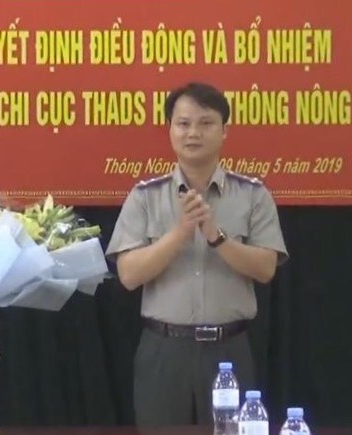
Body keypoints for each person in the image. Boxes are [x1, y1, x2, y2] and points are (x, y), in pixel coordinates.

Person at [105, 82, 289, 426]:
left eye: (205, 123)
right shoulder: (146, 196)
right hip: (164, 350)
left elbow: (266, 269)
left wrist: (216, 237)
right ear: (170, 130)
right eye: (184, 123)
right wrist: (181, 232)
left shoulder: (253, 194)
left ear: (224, 131)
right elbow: (128, 276)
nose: (193, 133)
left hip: (229, 350)